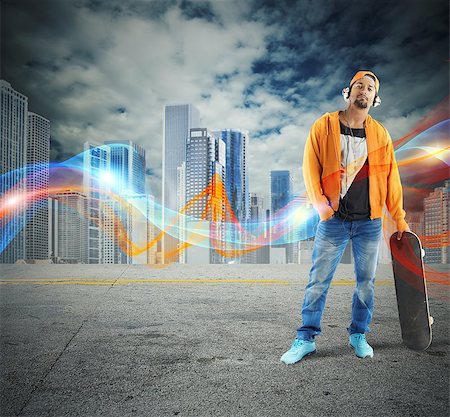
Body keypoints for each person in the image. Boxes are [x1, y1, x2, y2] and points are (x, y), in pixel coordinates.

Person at [281, 70, 410, 364]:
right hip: (333, 221)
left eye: (369, 89)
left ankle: (358, 334)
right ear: (348, 92)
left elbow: (392, 179)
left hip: (369, 222)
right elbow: (309, 167)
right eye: (359, 86)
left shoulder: (380, 134)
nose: (363, 91)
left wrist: (399, 218)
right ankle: (305, 338)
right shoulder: (324, 125)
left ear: (375, 99)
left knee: (366, 282)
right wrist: (321, 205)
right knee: (318, 281)